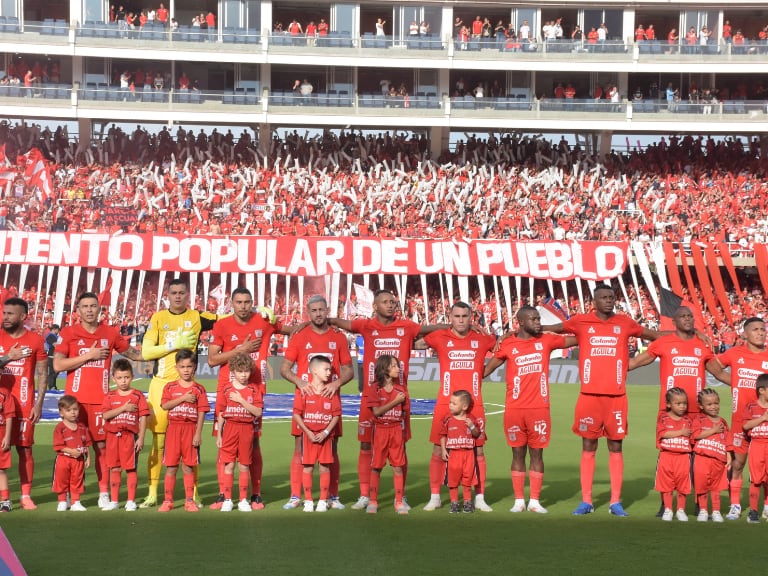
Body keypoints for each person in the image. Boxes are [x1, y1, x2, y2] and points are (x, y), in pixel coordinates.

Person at [543, 284, 661, 516]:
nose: (608, 300)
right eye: (603, 297)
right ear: (594, 302)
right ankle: (586, 500)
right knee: (588, 445)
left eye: (611, 297)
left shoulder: (625, 322)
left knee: (616, 447)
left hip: (617, 397)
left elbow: (654, 336)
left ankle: (615, 502)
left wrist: (683, 334)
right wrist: (524, 329)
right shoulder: (580, 321)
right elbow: (554, 328)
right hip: (589, 396)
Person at [330, 289, 442, 511]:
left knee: (400, 447)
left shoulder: (407, 327)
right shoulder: (366, 325)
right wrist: (322, 319)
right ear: (375, 306)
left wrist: (454, 327)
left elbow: (429, 329)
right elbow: (338, 322)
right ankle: (365, 495)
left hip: (400, 397)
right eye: (386, 302)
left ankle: (401, 496)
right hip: (372, 396)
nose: (391, 305)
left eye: (393, 301)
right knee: (365, 444)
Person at [54, 292, 142, 509]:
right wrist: (89, 355)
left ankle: (103, 493)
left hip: (101, 402)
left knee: (102, 447)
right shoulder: (68, 332)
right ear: (78, 311)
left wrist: (166, 350)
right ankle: (67, 495)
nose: (90, 310)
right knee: (70, 449)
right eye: (85, 306)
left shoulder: (110, 333)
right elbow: (57, 365)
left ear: (99, 309)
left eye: (94, 306)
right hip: (75, 403)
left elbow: (133, 354)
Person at [483, 305, 576, 513]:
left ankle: (534, 501)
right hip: (515, 409)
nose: (538, 322)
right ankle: (518, 501)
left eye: (538, 318)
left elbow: (579, 337)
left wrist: (564, 328)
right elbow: (485, 371)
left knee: (537, 456)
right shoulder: (508, 345)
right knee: (517, 455)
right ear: (521, 322)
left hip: (539, 409)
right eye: (533, 319)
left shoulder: (547, 340)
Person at [207, 287, 288, 510]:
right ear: (231, 303)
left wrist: (276, 317)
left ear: (252, 303)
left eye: (247, 302)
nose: (243, 306)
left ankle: (255, 494)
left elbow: (292, 330)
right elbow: (212, 360)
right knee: (223, 443)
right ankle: (223, 495)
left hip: (254, 390)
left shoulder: (262, 322)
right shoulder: (222, 325)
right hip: (227, 391)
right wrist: (240, 350)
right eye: (239, 302)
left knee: (253, 442)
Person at [140, 278, 216, 508]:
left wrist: (258, 313)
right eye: (174, 292)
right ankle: (153, 492)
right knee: (159, 442)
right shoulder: (158, 317)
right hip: (161, 386)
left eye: (182, 292)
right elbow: (146, 352)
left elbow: (231, 318)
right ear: (168, 295)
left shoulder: (198, 317)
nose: (178, 296)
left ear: (188, 294)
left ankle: (194, 493)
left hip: (188, 387)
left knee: (192, 444)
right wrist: (174, 343)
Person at [416, 302, 496, 512]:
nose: (461, 320)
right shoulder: (439, 337)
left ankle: (479, 497)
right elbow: (413, 343)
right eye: (456, 316)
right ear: (450, 317)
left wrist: (484, 371)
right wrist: (439, 326)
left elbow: (503, 349)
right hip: (446, 403)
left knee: (478, 448)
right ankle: (435, 496)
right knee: (437, 448)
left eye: (464, 316)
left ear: (472, 317)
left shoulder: (482, 339)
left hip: (474, 404)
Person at [280, 294, 353, 510]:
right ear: (308, 312)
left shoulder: (338, 337)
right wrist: (299, 382)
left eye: (322, 310)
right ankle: (295, 495)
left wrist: (336, 383)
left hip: (330, 402)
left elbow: (349, 370)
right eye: (314, 310)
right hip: (305, 401)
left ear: (326, 310)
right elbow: (284, 368)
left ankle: (333, 496)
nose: (318, 314)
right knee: (300, 448)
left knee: (332, 449)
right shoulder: (300, 337)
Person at [712, 316, 768, 520]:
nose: (761, 332)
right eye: (755, 329)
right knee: (737, 464)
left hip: (765, 421)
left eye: (763, 329)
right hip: (740, 420)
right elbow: (714, 366)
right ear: (745, 333)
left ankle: (765, 507)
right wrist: (732, 381)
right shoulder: (736, 353)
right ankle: (735, 505)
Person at [0, 297, 47, 509]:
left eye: (10, 314)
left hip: (25, 404)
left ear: (22, 316)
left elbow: (43, 374)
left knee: (25, 449)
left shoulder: (36, 340)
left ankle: (25, 495)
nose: (5, 317)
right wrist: (8, 357)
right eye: (4, 313)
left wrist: (39, 404)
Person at [157, 350, 209, 512]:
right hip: (173, 429)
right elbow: (165, 405)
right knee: (171, 467)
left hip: (190, 429)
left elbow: (202, 412)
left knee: (188, 466)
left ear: (194, 368)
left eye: (189, 366)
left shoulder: (199, 389)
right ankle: (168, 500)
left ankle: (189, 501)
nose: (186, 370)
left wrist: (198, 433)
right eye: (182, 366)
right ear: (176, 368)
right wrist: (183, 398)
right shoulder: (170, 387)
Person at [292, 355, 341, 513]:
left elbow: (336, 415)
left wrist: (326, 432)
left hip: (326, 438)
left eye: (330, 369)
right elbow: (297, 414)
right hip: (309, 437)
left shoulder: (331, 391)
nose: (329, 373)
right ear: (314, 370)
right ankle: (307, 500)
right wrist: (307, 432)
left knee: (325, 467)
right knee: (307, 467)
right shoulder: (304, 391)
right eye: (326, 369)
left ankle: (322, 500)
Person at [216, 352, 263, 513]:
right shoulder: (226, 389)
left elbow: (257, 412)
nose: (243, 375)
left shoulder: (254, 389)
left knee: (244, 465)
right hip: (230, 428)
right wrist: (220, 435)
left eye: (246, 371)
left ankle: (243, 500)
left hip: (246, 429)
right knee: (229, 465)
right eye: (240, 371)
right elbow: (221, 412)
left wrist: (241, 400)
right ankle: (228, 500)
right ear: (233, 371)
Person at [101, 359, 149, 511]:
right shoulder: (110, 396)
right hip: (113, 437)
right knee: (114, 468)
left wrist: (141, 438)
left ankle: (130, 501)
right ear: (114, 378)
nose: (123, 381)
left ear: (132, 376)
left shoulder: (137, 395)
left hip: (130, 437)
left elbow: (143, 417)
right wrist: (123, 408)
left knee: (130, 468)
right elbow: (106, 415)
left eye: (126, 377)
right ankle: (114, 500)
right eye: (120, 378)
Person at [366, 354, 408, 514]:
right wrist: (395, 402)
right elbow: (376, 412)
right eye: (394, 366)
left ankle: (398, 502)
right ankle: (373, 501)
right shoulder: (375, 388)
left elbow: (404, 412)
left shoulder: (401, 390)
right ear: (385, 369)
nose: (398, 369)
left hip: (396, 430)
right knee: (376, 467)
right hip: (380, 431)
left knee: (398, 467)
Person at [440, 390, 481, 514]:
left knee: (467, 479)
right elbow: (443, 435)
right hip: (454, 454)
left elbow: (477, 434)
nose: (450, 405)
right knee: (453, 480)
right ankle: (454, 503)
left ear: (464, 406)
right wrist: (443, 450)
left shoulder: (471, 419)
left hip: (468, 454)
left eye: (454, 403)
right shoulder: (448, 419)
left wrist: (472, 426)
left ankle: (467, 502)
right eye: (450, 402)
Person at [655, 388, 693, 521]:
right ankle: (668, 509)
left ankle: (681, 510)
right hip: (667, 456)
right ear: (669, 404)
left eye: (684, 403)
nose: (682, 406)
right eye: (678, 403)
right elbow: (662, 433)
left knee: (682, 485)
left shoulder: (688, 420)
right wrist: (680, 432)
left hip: (683, 457)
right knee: (667, 485)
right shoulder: (663, 418)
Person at [691, 388, 729, 522]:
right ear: (701, 406)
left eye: (716, 403)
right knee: (702, 485)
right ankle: (703, 510)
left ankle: (716, 511)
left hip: (718, 460)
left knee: (716, 487)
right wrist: (713, 430)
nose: (714, 407)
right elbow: (695, 435)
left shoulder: (723, 422)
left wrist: (728, 457)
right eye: (709, 404)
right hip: (702, 458)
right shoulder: (698, 419)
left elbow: (726, 441)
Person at [51, 395, 90, 512]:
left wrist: (88, 458)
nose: (72, 413)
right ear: (61, 413)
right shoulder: (60, 428)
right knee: (61, 480)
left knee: (77, 480)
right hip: (63, 460)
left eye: (75, 409)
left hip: (78, 461)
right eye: (68, 410)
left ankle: (75, 502)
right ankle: (62, 501)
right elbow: (59, 446)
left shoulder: (82, 427)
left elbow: (86, 444)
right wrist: (71, 451)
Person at [741, 373, 768, 524]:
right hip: (757, 445)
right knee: (756, 480)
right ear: (761, 390)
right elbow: (745, 425)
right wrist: (763, 418)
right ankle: (753, 511)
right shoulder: (751, 407)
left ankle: (767, 508)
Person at [0, 384, 13, 512]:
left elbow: (9, 415)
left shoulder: (5, 393)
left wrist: (7, 436)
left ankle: (5, 501)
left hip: (1, 435)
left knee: (1, 470)